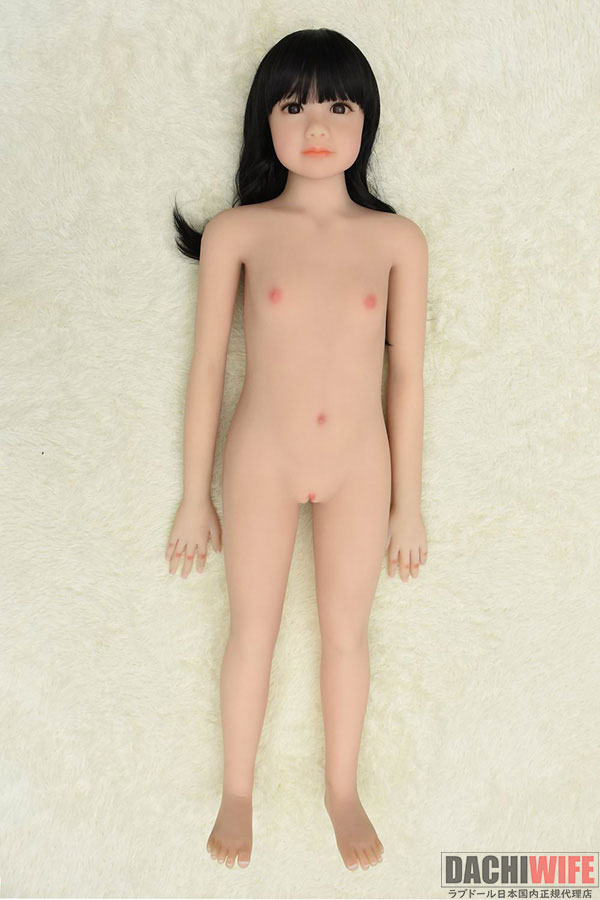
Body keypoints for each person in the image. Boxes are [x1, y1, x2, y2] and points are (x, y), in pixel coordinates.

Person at [165, 27, 428, 872]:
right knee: (253, 629)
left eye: (339, 106)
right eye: (293, 105)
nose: (317, 125)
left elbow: (406, 377)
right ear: (264, 121)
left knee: (348, 634)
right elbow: (208, 367)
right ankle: (237, 790)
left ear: (367, 120)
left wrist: (409, 504)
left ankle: (341, 790)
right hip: (262, 460)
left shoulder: (398, 241)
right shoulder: (236, 233)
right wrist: (194, 496)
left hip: (360, 465)